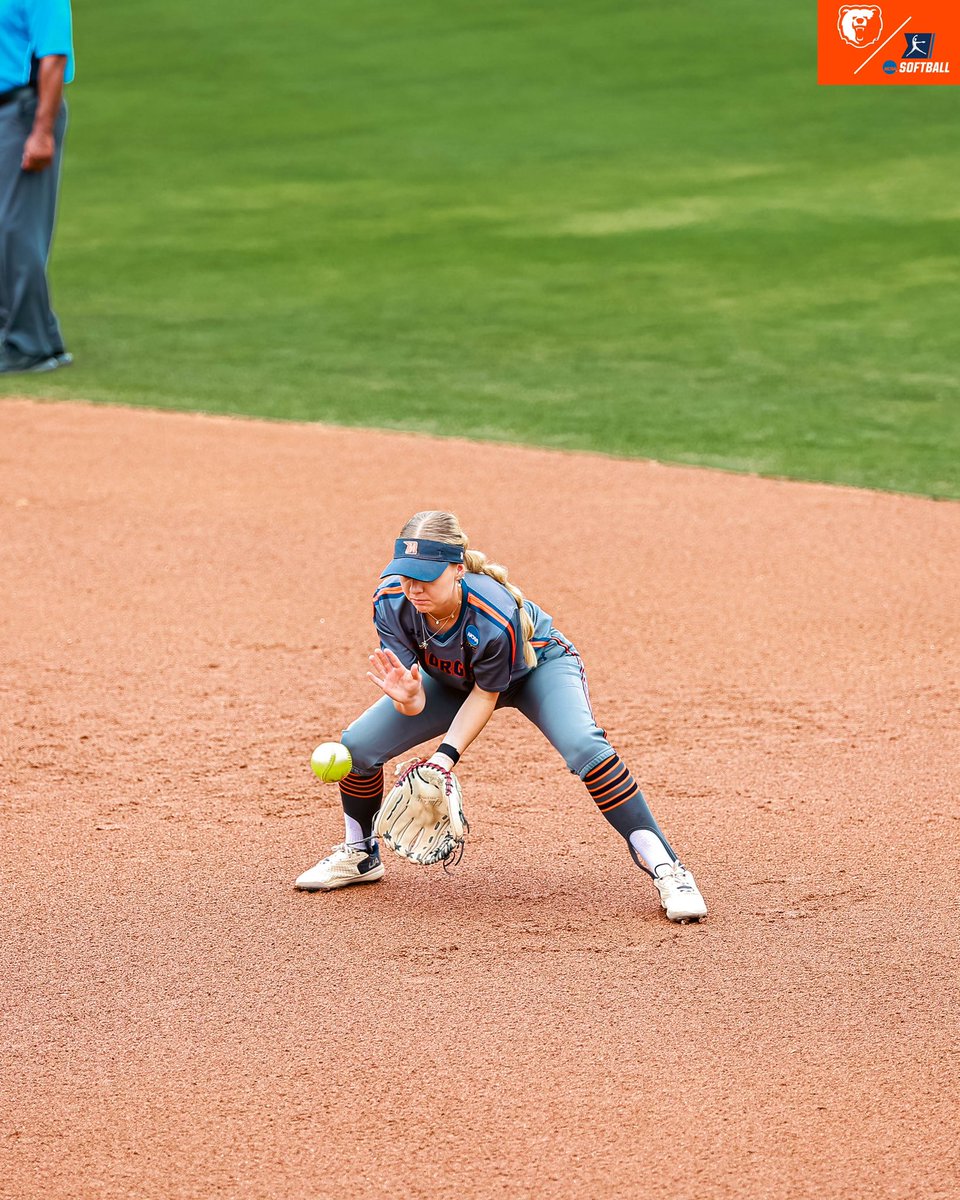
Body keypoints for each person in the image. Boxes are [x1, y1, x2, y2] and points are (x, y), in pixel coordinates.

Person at [295, 511, 708, 923]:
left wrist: (443, 758)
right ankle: (360, 853)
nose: (413, 588)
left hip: (537, 669)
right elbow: (416, 701)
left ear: (457, 569)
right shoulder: (391, 600)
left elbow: (487, 694)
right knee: (357, 747)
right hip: (452, 678)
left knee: (585, 746)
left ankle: (669, 869)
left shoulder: (492, 610)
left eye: (425, 576)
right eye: (405, 575)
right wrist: (406, 698)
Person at [0, 0, 74, 375]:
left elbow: (55, 56)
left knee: (17, 229)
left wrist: (42, 132)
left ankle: (29, 345)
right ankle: (35, 335)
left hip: (24, 113)